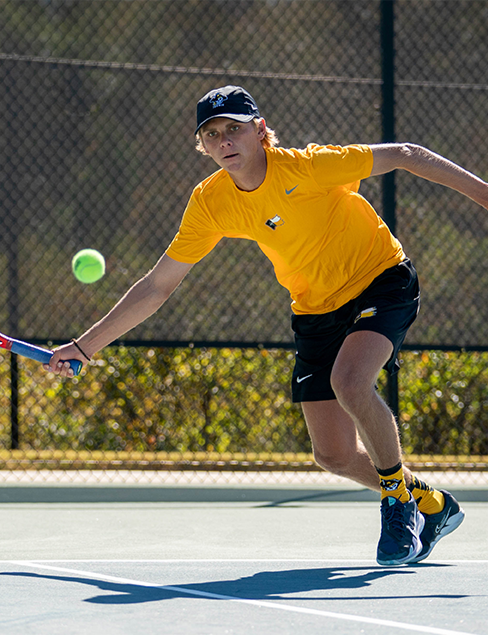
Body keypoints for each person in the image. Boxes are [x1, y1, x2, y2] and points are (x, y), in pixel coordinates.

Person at [47, 85, 486, 566]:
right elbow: (157, 286)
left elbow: (408, 154)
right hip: (315, 308)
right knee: (334, 455)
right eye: (212, 135)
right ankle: (430, 503)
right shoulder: (211, 202)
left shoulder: (309, 166)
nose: (223, 141)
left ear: (259, 130)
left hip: (381, 280)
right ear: (204, 145)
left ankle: (398, 504)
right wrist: (85, 347)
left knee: (350, 382)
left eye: (233, 129)